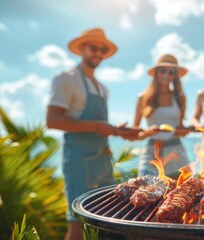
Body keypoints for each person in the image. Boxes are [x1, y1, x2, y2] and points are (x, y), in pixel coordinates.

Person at [46, 28, 140, 240]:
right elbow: (53, 120)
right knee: (78, 222)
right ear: (82, 49)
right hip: (79, 161)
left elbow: (99, 125)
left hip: (102, 161)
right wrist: (98, 125)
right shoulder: (67, 79)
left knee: (108, 217)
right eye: (93, 48)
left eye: (102, 49)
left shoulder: (101, 88)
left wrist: (119, 130)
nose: (98, 53)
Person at [133, 54, 191, 179]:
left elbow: (180, 130)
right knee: (144, 189)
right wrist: (148, 132)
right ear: (156, 72)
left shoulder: (180, 98)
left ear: (175, 76)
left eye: (171, 72)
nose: (166, 75)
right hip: (152, 150)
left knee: (181, 192)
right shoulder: (143, 97)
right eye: (163, 70)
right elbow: (135, 134)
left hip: (176, 150)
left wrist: (183, 131)